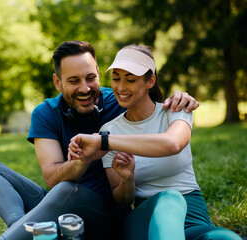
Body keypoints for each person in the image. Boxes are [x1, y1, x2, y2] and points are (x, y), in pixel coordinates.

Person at [0, 40, 200, 240]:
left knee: (66, 191)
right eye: (74, 81)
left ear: (98, 74)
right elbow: (53, 178)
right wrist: (83, 160)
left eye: (90, 78)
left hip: (106, 211)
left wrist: (181, 96)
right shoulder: (45, 113)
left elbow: (147, 99)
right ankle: (19, 226)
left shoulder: (120, 100)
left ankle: (20, 235)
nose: (85, 88)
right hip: (62, 201)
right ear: (58, 82)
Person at [68, 44, 242, 240]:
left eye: (131, 80)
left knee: (228, 239)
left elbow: (172, 144)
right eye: (116, 78)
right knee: (170, 197)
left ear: (150, 81)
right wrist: (127, 179)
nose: (121, 87)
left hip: (193, 216)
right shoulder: (110, 130)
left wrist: (104, 142)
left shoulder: (176, 112)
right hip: (146, 219)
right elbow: (122, 201)